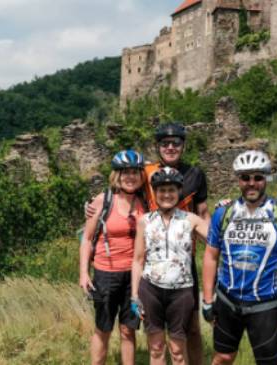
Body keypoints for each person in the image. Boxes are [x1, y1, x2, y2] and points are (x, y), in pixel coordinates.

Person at [87, 122, 210, 365]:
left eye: (176, 143)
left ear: (183, 146)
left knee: (191, 329)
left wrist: (225, 220)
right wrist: (95, 203)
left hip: (184, 263)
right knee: (155, 342)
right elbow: (124, 183)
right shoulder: (147, 171)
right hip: (152, 262)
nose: (171, 147)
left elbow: (204, 214)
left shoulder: (196, 174)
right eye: (165, 143)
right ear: (158, 147)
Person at [202, 150, 277, 365]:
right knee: (223, 356)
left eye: (258, 177)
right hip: (227, 301)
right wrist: (208, 299)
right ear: (238, 179)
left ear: (266, 179)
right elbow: (211, 257)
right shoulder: (224, 213)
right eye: (245, 178)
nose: (251, 183)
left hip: (265, 305)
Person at [130, 167, 210, 365]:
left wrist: (226, 211)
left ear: (179, 192)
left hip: (181, 292)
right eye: (162, 190)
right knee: (156, 349)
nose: (167, 195)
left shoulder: (190, 220)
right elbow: (138, 259)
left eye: (171, 190)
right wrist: (134, 295)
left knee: (177, 351)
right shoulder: (145, 221)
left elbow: (217, 238)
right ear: (155, 193)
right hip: (151, 290)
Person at [79, 149, 147, 365]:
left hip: (134, 276)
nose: (130, 177)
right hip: (105, 274)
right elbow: (87, 239)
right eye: (125, 172)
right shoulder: (102, 201)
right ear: (117, 175)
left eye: (135, 172)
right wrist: (83, 273)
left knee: (128, 329)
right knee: (103, 329)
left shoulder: (144, 202)